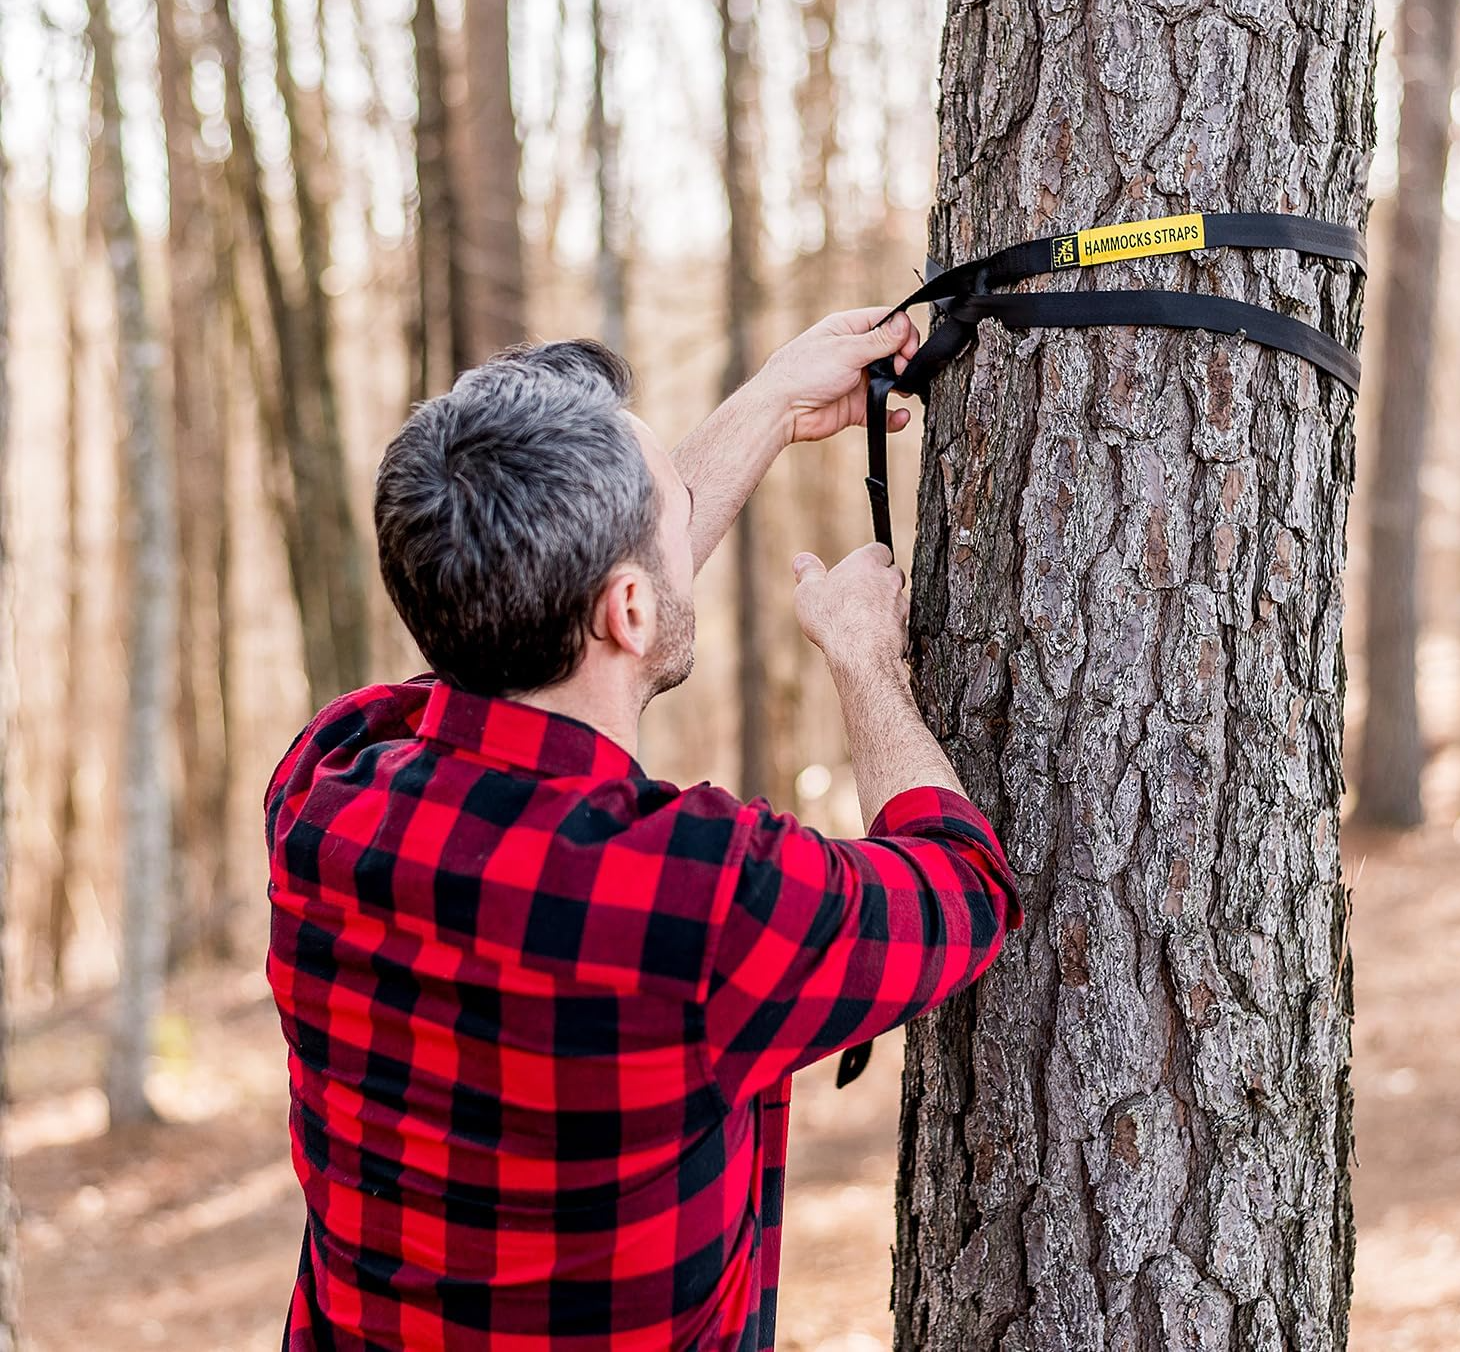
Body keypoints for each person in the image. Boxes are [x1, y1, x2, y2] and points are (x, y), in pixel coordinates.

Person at [265, 308, 1023, 1351]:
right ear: (627, 610)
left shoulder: (326, 785)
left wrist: (774, 402)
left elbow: (550, 623)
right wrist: (863, 660)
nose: (689, 518)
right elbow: (963, 888)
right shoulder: (703, 899)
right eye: (675, 508)